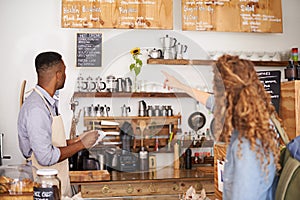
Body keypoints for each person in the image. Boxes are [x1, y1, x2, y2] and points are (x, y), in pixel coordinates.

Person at [162, 54, 281, 200]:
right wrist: (179, 85)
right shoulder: (255, 122)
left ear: (226, 95)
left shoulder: (247, 145)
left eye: (217, 92)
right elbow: (210, 101)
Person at [18, 51, 99, 197]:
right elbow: (45, 157)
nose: (65, 76)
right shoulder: (37, 108)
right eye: (65, 71)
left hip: (54, 185)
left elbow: (48, 143)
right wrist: (82, 145)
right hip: (44, 187)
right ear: (58, 75)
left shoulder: (46, 103)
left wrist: (77, 140)